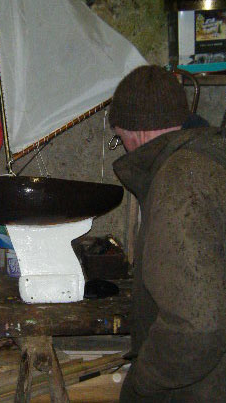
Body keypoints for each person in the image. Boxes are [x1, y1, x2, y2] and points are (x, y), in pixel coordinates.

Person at [109, 65, 226, 402]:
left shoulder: (180, 182)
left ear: (138, 131)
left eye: (120, 136)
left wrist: (143, 382)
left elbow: (198, 326)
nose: (124, 146)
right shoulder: (210, 160)